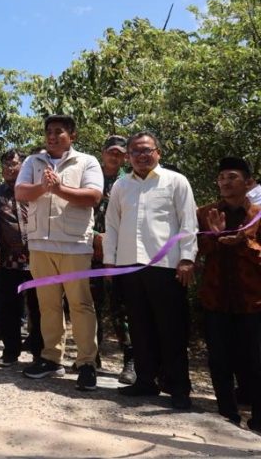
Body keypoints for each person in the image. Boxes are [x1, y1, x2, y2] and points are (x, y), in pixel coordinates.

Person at [104, 131, 197, 410]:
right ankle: (146, 381)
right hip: (129, 267)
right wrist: (110, 261)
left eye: (147, 150)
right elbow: (112, 226)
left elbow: (188, 222)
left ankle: (178, 387)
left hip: (166, 267)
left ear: (158, 152)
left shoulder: (176, 182)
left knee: (171, 329)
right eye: (136, 151)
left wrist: (187, 259)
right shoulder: (121, 186)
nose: (142, 155)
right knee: (140, 327)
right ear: (128, 156)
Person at [15, 115, 103, 391]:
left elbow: (92, 197)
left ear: (72, 135)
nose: (52, 137)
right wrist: (43, 187)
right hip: (41, 243)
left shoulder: (86, 162)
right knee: (48, 306)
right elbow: (20, 192)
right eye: (49, 132)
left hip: (75, 243)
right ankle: (52, 357)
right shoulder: (33, 162)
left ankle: (87, 363)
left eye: (59, 132)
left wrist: (59, 188)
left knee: (80, 305)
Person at [196, 157, 261, 431]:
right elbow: (195, 251)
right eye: (221, 177)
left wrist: (243, 241)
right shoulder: (205, 213)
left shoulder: (258, 215)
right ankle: (227, 415)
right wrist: (213, 236)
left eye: (232, 177)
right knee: (219, 358)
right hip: (215, 297)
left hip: (252, 301)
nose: (225, 182)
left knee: (256, 360)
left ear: (248, 183)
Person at [0, 149, 42, 367]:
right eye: (6, 164)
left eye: (14, 164)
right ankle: (10, 352)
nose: (10, 168)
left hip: (36, 257)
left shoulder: (32, 189)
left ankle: (39, 353)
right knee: (9, 307)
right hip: (7, 260)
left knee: (38, 307)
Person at [91, 135, 134, 384]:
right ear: (103, 152)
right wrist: (95, 237)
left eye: (120, 153)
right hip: (91, 251)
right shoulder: (90, 176)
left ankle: (130, 360)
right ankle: (91, 355)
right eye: (111, 152)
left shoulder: (129, 182)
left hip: (120, 254)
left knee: (122, 308)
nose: (115, 156)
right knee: (90, 305)